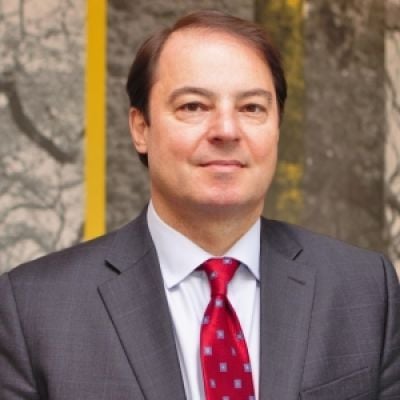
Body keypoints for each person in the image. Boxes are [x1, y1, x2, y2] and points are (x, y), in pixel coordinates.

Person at [0, 10, 399, 400]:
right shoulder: (34, 309)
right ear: (141, 128)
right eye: (193, 106)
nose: (226, 130)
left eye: (251, 108)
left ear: (277, 127)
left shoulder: (365, 290)